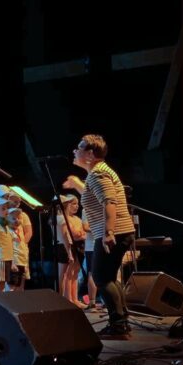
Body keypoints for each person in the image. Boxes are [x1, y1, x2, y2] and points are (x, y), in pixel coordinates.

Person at [63, 134, 136, 339]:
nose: (74, 151)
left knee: (102, 278)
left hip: (115, 232)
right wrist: (77, 183)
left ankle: (119, 326)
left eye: (79, 147)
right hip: (119, 231)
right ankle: (121, 323)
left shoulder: (99, 175)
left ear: (91, 154)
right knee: (108, 278)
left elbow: (109, 202)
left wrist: (108, 232)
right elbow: (94, 194)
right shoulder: (97, 173)